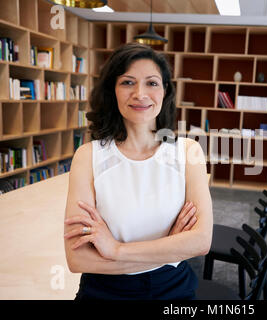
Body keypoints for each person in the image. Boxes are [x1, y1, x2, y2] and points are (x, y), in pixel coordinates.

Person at [63, 42, 213, 300]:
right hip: (103, 292)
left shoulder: (189, 152)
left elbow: (200, 242)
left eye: (152, 83)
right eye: (128, 82)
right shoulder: (88, 155)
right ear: (113, 90)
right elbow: (78, 259)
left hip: (172, 291)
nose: (140, 93)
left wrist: (115, 249)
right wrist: (169, 250)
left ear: (165, 91)